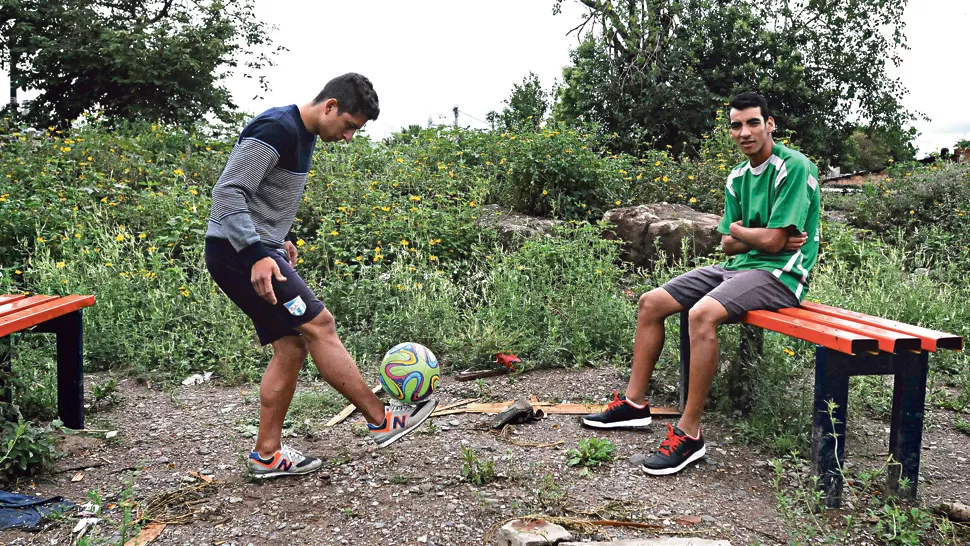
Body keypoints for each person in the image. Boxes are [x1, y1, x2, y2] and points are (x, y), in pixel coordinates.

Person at [204, 73, 438, 479]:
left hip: (251, 250)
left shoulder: (304, 134)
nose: (348, 137)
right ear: (329, 106)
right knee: (320, 325)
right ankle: (382, 420)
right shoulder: (276, 127)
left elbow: (262, 193)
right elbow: (228, 192)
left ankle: (267, 455)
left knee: (291, 346)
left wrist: (280, 237)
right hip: (237, 253)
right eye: (349, 126)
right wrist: (258, 253)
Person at [582, 92, 821, 476]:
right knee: (650, 302)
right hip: (738, 266)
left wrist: (746, 232)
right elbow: (727, 241)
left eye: (753, 122)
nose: (744, 132)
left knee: (701, 314)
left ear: (770, 124)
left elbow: (777, 245)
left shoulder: (793, 167)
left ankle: (689, 433)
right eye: (736, 125)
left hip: (783, 274)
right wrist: (752, 233)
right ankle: (634, 404)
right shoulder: (738, 177)